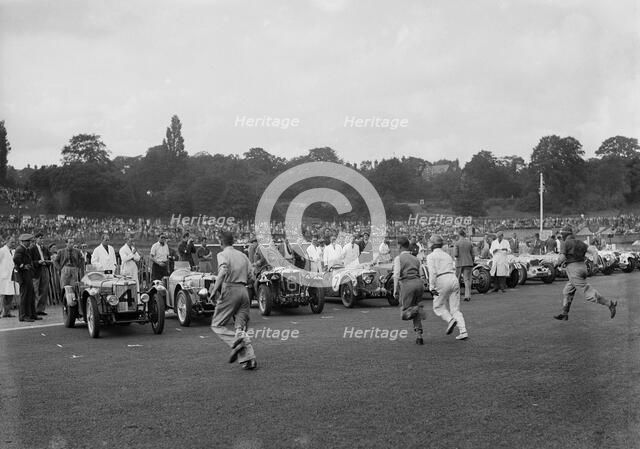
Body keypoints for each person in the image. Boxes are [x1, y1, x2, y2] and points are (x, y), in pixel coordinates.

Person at [209, 231, 257, 370]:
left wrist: (213, 292)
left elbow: (223, 271)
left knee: (217, 325)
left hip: (230, 289)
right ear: (233, 241)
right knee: (240, 327)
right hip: (244, 291)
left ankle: (236, 343)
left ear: (221, 242)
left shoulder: (222, 254)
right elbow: (252, 277)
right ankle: (249, 359)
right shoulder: (243, 255)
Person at [553, 226, 617, 321]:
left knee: (588, 293)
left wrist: (555, 264)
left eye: (562, 234)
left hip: (574, 270)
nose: (561, 236)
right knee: (567, 291)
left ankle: (609, 304)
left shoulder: (565, 243)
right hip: (582, 268)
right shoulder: (580, 243)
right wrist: (595, 265)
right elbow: (594, 252)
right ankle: (564, 313)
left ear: (564, 234)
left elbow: (562, 258)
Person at [426, 234, 468, 340]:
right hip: (453, 278)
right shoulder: (447, 255)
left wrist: (431, 287)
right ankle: (463, 331)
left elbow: (432, 272)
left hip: (442, 279)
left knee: (438, 306)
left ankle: (450, 320)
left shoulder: (430, 256)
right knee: (455, 309)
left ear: (432, 244)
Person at [393, 236, 426, 344]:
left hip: (408, 285)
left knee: (404, 313)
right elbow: (422, 275)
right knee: (415, 309)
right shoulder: (416, 259)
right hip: (419, 284)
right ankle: (419, 335)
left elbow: (396, 275)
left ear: (399, 246)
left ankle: (417, 309)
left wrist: (395, 290)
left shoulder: (398, 259)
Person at [13, 234, 40, 322]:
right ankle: (23, 316)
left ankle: (32, 314)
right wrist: (23, 266)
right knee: (25, 295)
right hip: (23, 275)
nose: (29, 243)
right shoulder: (20, 249)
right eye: (28, 241)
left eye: (30, 241)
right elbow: (16, 259)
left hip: (27, 274)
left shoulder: (25, 249)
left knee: (31, 294)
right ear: (23, 241)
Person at [30, 232, 51, 316]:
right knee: (35, 290)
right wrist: (37, 262)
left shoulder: (45, 249)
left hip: (45, 269)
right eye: (40, 238)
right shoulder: (32, 248)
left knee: (44, 289)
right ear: (36, 239)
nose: (41, 240)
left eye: (42, 238)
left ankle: (40, 309)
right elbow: (30, 261)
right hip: (36, 271)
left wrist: (47, 262)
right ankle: (34, 309)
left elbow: (49, 259)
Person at [454, 229, 475, 302]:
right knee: (467, 280)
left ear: (459, 235)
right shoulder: (469, 243)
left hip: (459, 263)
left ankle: (457, 295)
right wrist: (472, 261)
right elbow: (473, 254)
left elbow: (456, 255)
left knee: (457, 280)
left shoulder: (457, 243)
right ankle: (467, 296)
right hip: (468, 262)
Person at [0, 236, 18, 318]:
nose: (13, 244)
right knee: (3, 294)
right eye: (11, 242)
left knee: (10, 294)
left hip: (12, 275)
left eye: (14, 242)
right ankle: (2, 312)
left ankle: (7, 312)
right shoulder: (2, 251)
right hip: (3, 276)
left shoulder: (14, 251)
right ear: (6, 241)